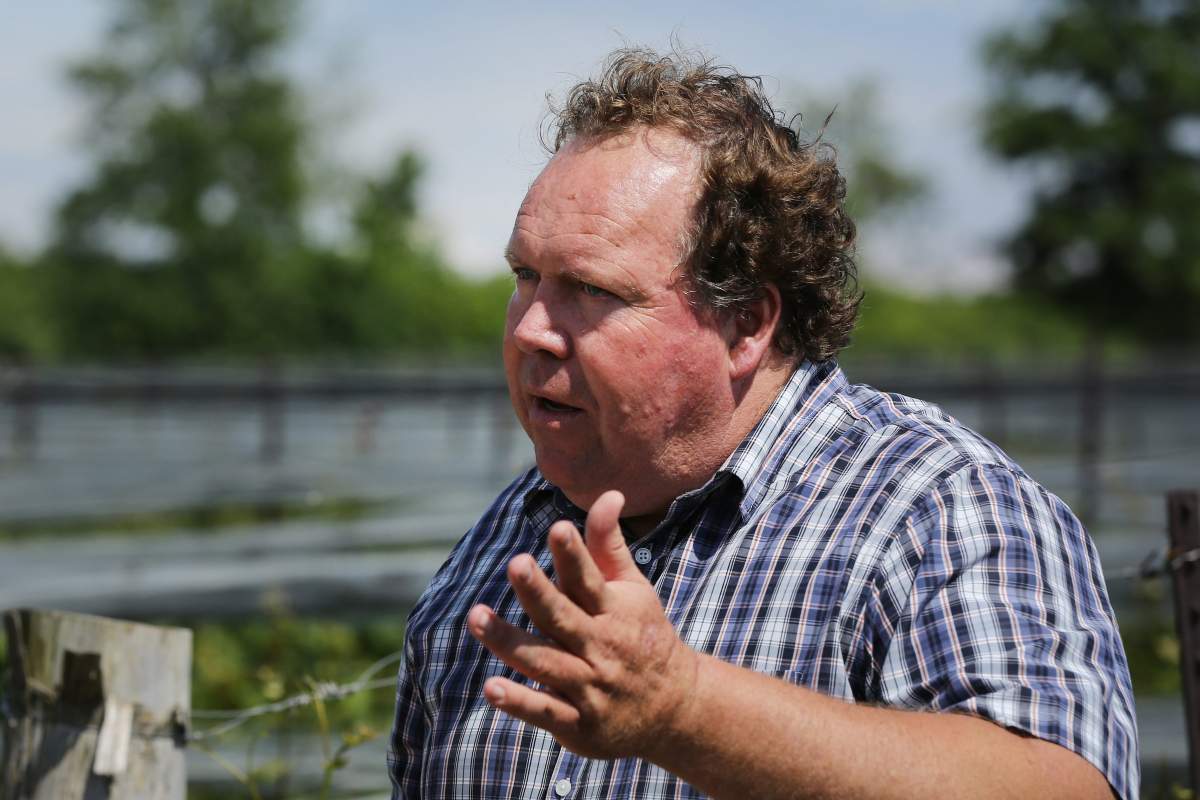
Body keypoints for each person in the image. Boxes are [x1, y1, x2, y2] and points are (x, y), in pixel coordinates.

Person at [389, 49, 1138, 799]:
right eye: (525, 276)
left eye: (591, 289)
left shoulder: (935, 510)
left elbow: (1066, 787)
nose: (531, 330)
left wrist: (682, 709)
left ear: (745, 324)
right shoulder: (505, 537)